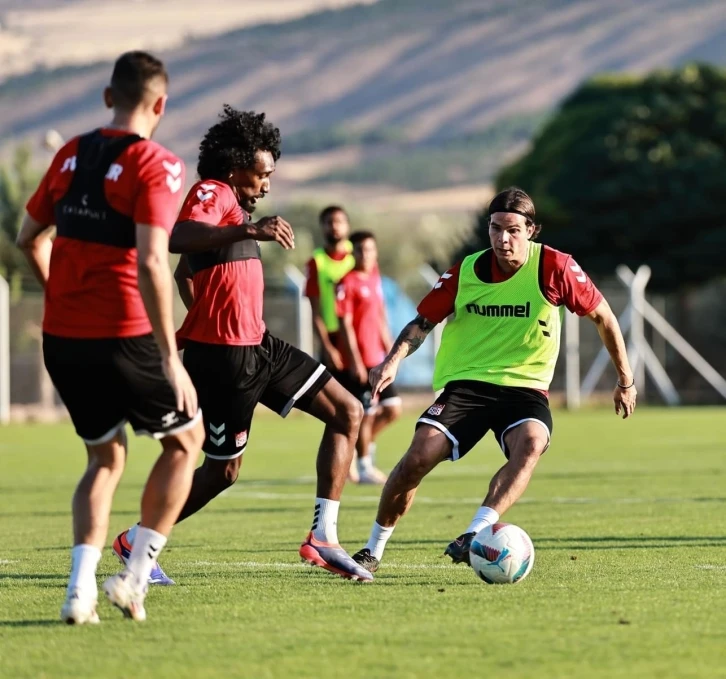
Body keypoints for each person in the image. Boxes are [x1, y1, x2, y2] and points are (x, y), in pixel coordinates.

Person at [114, 106, 373, 583]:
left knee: (348, 412)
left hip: (260, 346)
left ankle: (323, 537)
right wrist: (250, 231)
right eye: (262, 174)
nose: (267, 184)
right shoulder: (213, 192)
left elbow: (185, 271)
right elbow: (178, 238)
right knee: (222, 473)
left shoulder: (232, 213)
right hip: (225, 359)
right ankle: (137, 540)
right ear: (235, 169)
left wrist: (205, 305)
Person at [351, 187, 637, 573]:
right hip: (467, 386)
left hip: (525, 389)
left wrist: (625, 380)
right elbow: (422, 323)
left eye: (513, 230)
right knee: (416, 460)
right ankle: (373, 549)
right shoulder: (465, 271)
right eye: (496, 228)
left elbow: (604, 317)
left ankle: (475, 532)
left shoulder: (554, 267)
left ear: (531, 231)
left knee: (532, 443)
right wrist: (392, 361)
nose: (503, 238)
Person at [16, 51, 205, 623]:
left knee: (104, 458)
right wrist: (169, 357)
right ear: (161, 104)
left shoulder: (70, 153)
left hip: (63, 339)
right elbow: (151, 261)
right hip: (125, 335)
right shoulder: (158, 165)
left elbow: (29, 238)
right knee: (186, 442)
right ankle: (134, 578)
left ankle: (79, 593)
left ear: (107, 97)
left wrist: (61, 297)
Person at [336, 231, 401, 484]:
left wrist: (391, 351)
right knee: (367, 413)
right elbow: (345, 325)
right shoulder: (346, 282)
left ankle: (358, 448)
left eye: (370, 249)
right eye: (361, 249)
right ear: (352, 252)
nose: (366, 254)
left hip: (379, 359)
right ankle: (365, 467)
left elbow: (380, 316)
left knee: (393, 409)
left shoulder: (375, 278)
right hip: (361, 362)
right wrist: (355, 361)